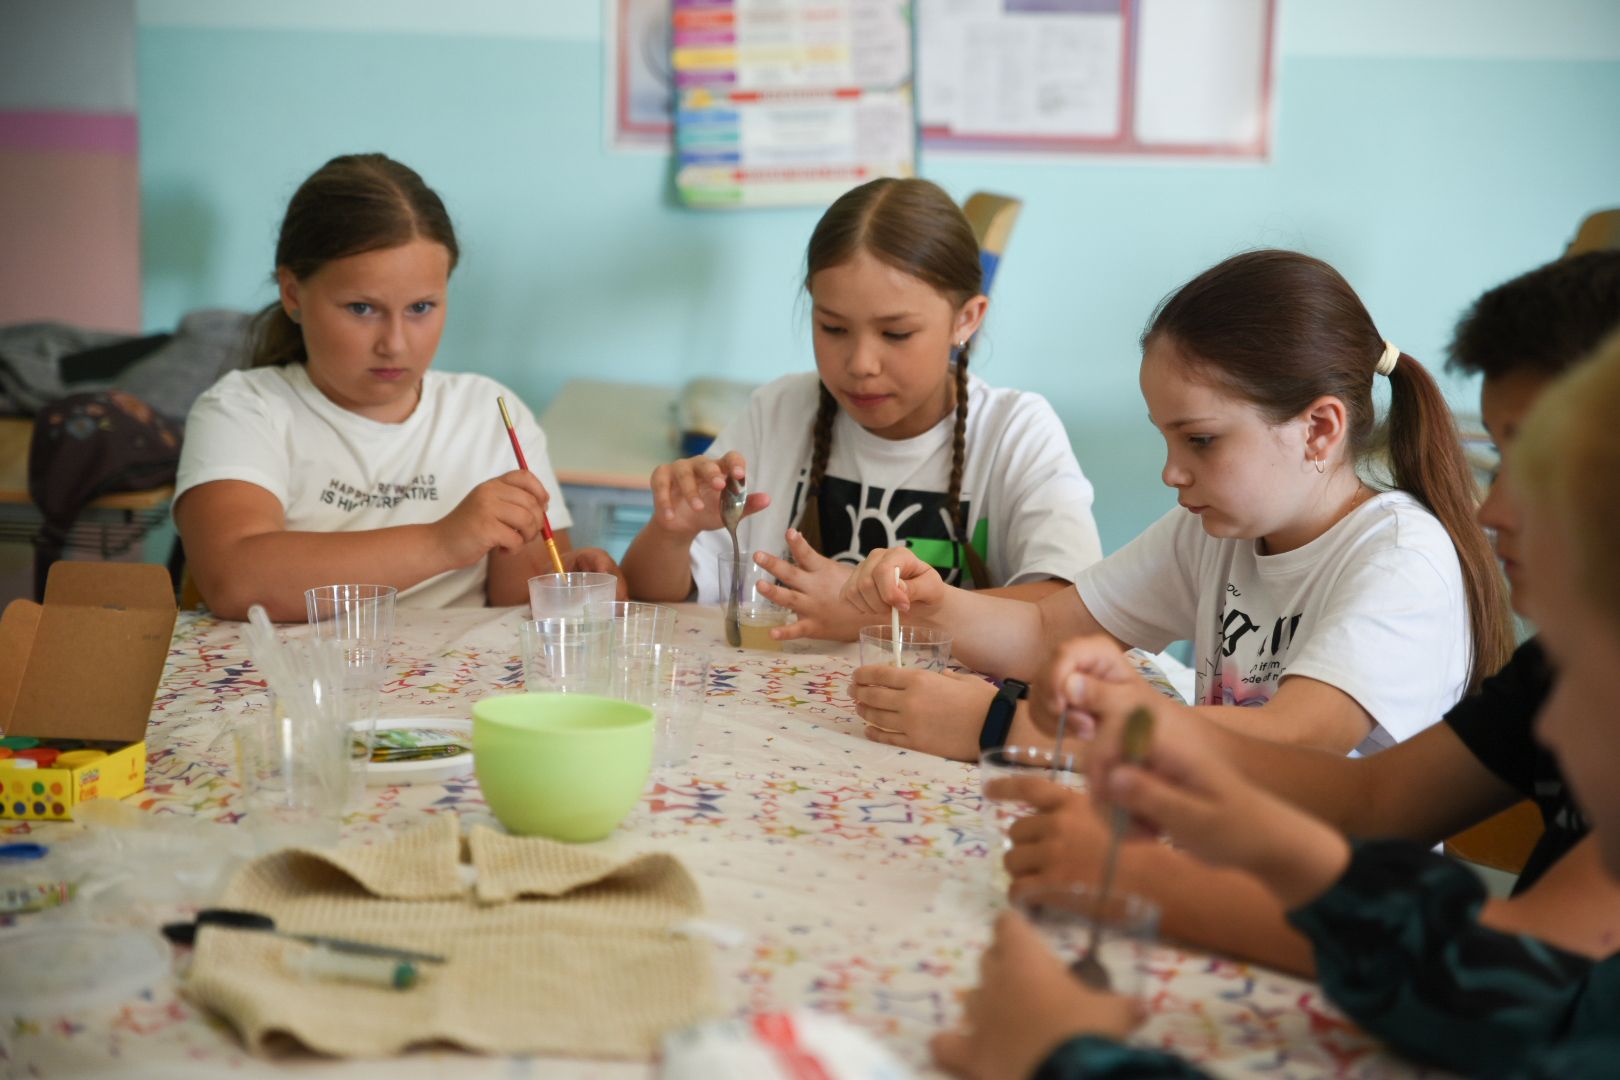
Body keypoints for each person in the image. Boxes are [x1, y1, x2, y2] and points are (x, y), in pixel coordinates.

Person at [933, 328, 1620, 1080]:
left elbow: (1517, 988)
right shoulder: (1563, 664)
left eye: (1542, 468)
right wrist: (1149, 736)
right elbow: (1377, 801)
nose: (1493, 511)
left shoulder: (1405, 555)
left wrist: (1072, 1046)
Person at [820, 249, 1511, 760]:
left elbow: (1293, 742)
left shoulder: (1399, 558)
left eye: (1202, 440)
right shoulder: (1215, 531)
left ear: (1320, 429)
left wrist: (1011, 729)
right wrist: (928, 601)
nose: (1171, 472)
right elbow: (1052, 633)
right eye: (1167, 438)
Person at [621, 177, 1102, 632]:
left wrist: (873, 613)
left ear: (967, 319)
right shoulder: (779, 411)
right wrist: (671, 532)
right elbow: (654, 594)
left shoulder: (1014, 431)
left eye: (896, 333)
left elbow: (1070, 605)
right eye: (832, 328)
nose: (861, 363)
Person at [174, 154, 619, 621]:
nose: (395, 344)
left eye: (421, 307)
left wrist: (574, 579)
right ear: (292, 294)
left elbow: (519, 603)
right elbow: (235, 580)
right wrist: (442, 541)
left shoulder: (489, 412)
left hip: (455, 690)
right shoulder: (242, 410)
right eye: (362, 309)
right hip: (295, 689)